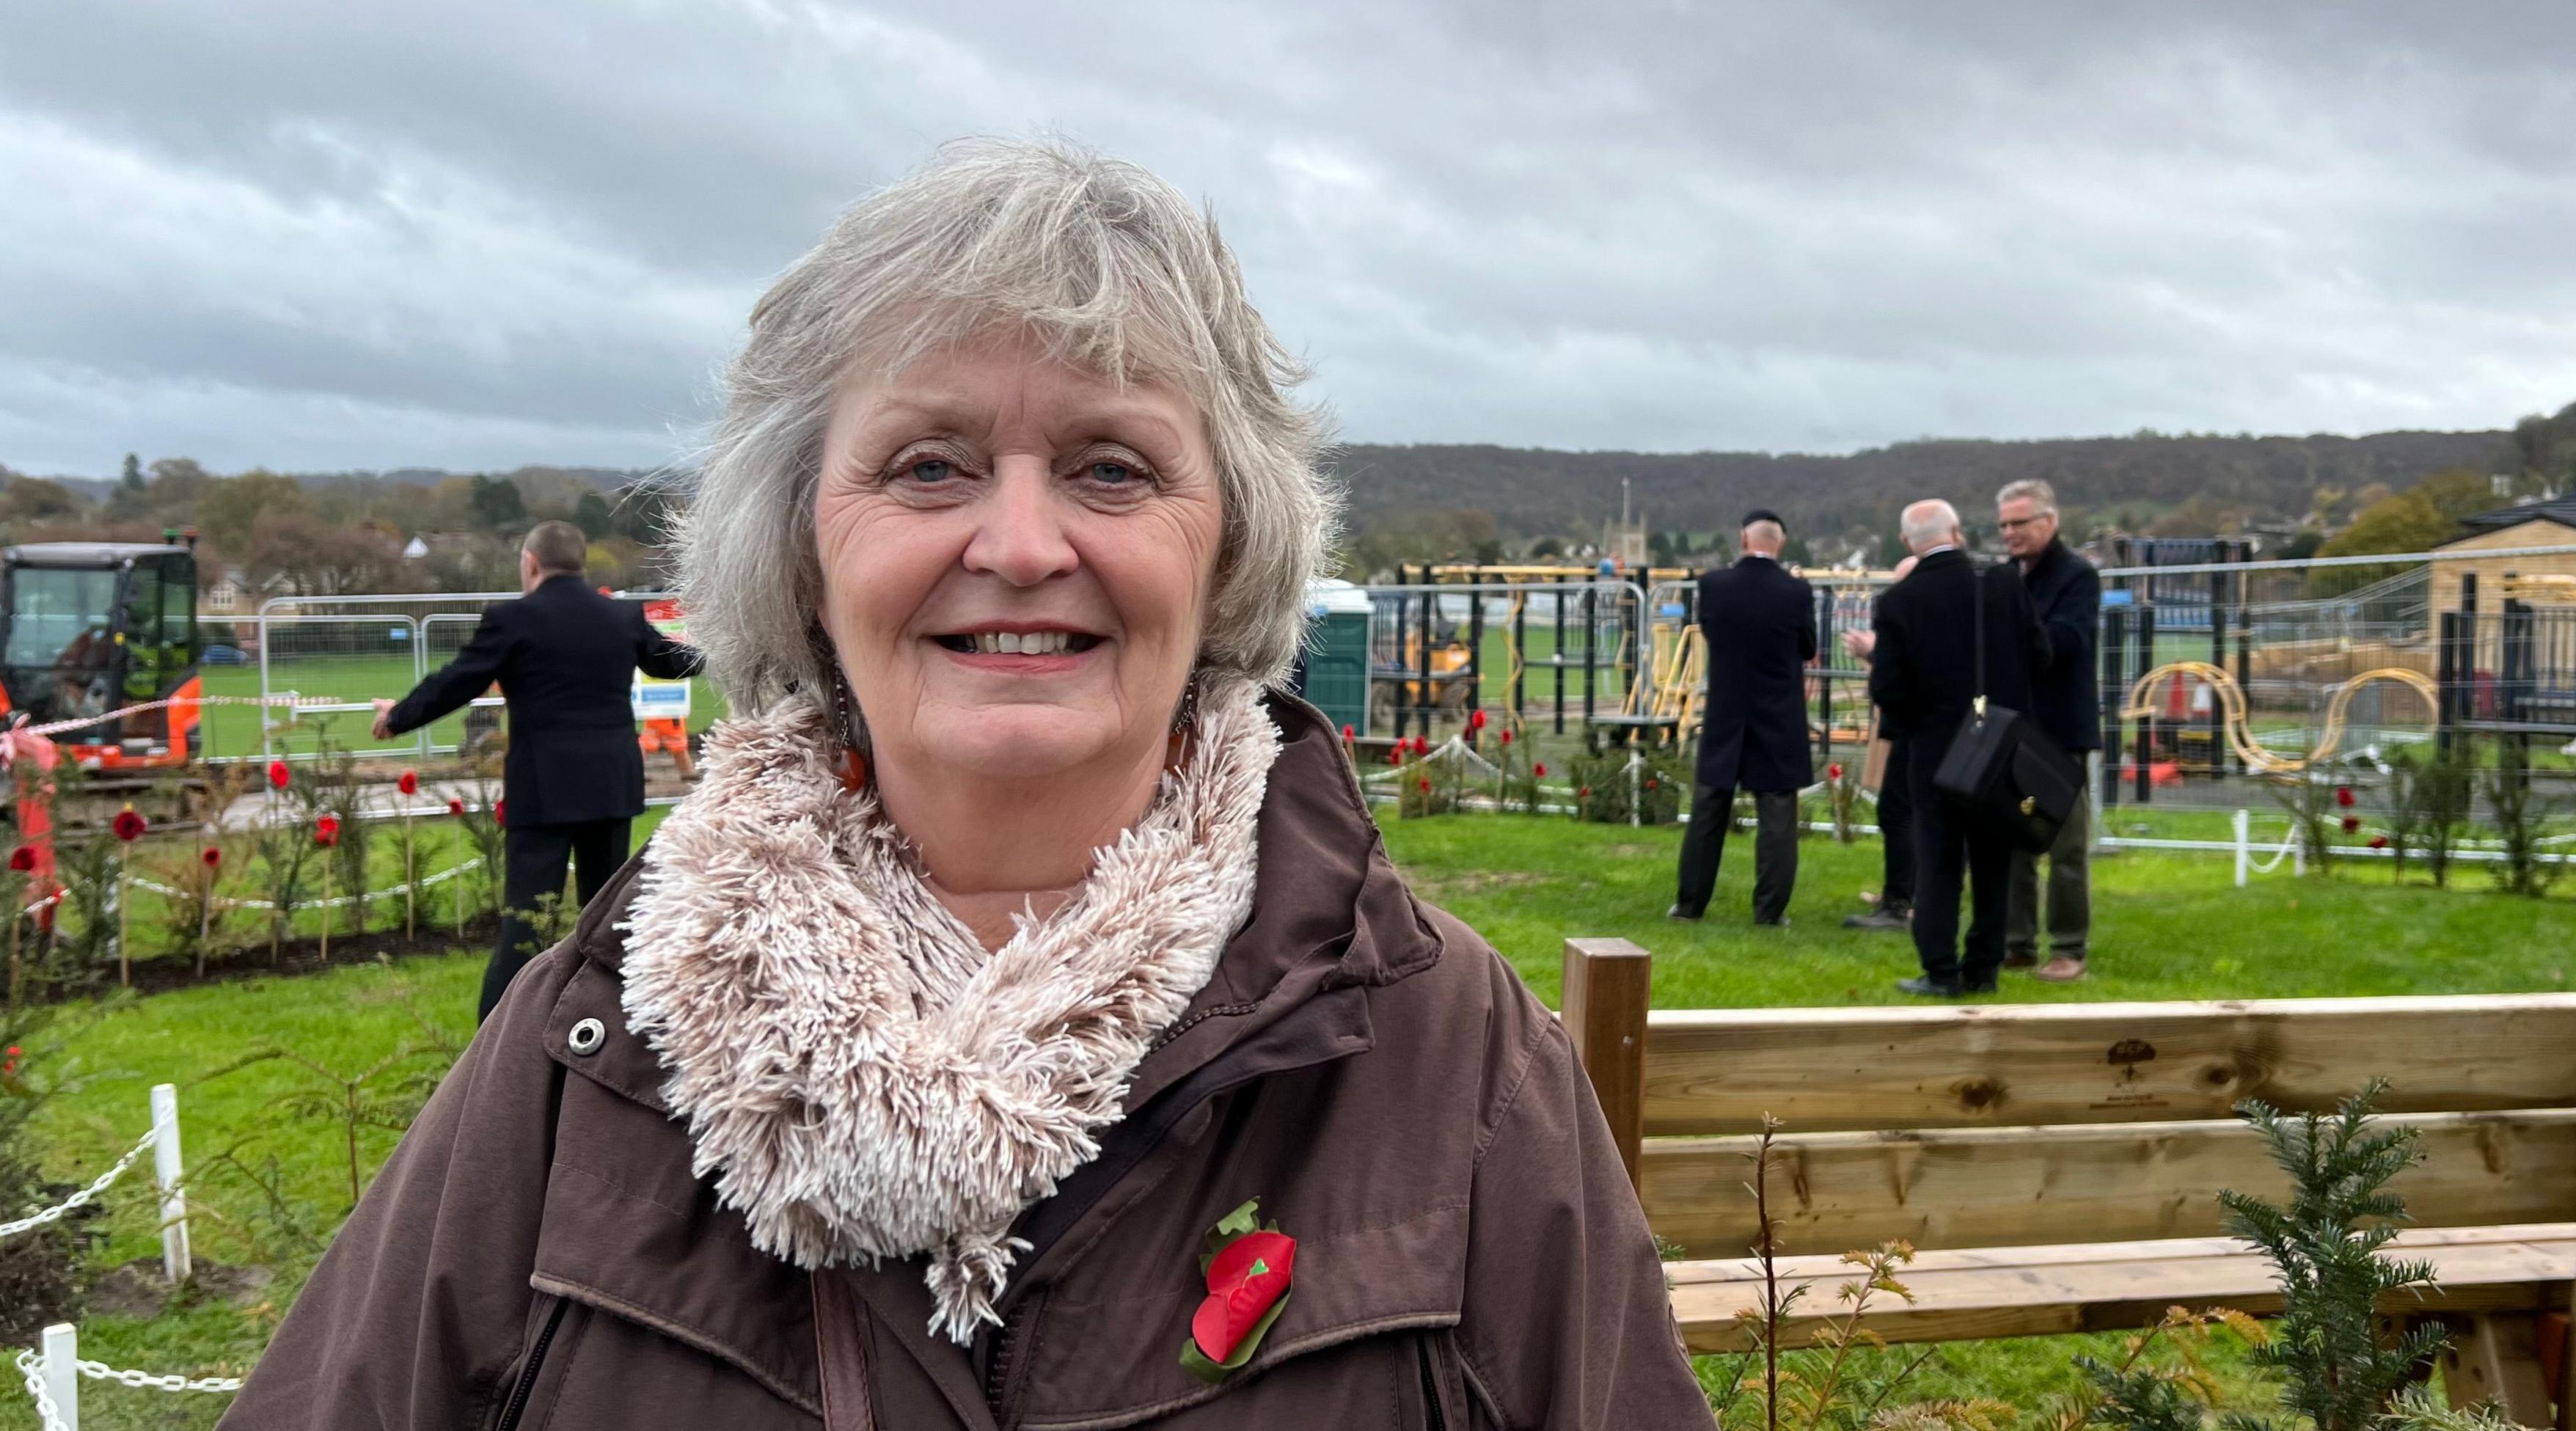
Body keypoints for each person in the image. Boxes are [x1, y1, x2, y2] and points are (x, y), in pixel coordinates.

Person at [238, 139, 1708, 1430]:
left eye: (1113, 469)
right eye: (930, 465)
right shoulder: (590, 1058)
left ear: (1230, 551)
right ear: (805, 550)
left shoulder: (1447, 1059)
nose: (1017, 544)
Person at [370, 520, 701, 1020]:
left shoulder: (513, 620)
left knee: (524, 924)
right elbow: (675, 661)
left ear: (531, 563)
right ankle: (619, 1028)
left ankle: (495, 1043)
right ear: (582, 564)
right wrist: (722, 640)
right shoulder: (621, 618)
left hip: (544, 789)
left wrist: (397, 719)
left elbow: (458, 682)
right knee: (606, 921)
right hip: (612, 784)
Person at [1865, 499, 2046, 996]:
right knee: (1994, 862)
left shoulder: (1899, 602)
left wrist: (1917, 726)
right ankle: (1984, 968)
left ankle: (1940, 970)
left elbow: (1888, 689)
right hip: (2000, 740)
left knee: (1939, 863)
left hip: (1935, 748)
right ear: (1959, 532)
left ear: (1907, 544)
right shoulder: (2004, 585)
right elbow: (2041, 654)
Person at [1674, 510, 1818, 926]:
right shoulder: (1796, 591)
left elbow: (1710, 631)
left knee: (1707, 810)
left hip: (1726, 711)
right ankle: (1770, 911)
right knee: (1777, 818)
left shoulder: (1714, 585)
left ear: (1742, 539)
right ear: (1781, 544)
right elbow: (1807, 647)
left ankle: (1690, 904)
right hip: (1779, 714)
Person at [1997, 480, 2100, 983]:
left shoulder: (2077, 576)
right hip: (2011, 726)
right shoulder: (2005, 577)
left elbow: (2066, 642)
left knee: (2065, 848)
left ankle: (2068, 950)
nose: (2010, 533)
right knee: (2012, 843)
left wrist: (2010, 626)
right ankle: (2016, 944)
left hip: (2060, 729)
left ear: (2050, 521)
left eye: (2019, 523)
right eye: (2004, 525)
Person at [1843, 555, 1921, 931]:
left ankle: (1905, 900)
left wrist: (1874, 651)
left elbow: (1912, 666)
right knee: (1901, 813)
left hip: (1915, 726)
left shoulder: (1922, 615)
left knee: (1903, 814)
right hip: (1904, 725)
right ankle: (1902, 891)